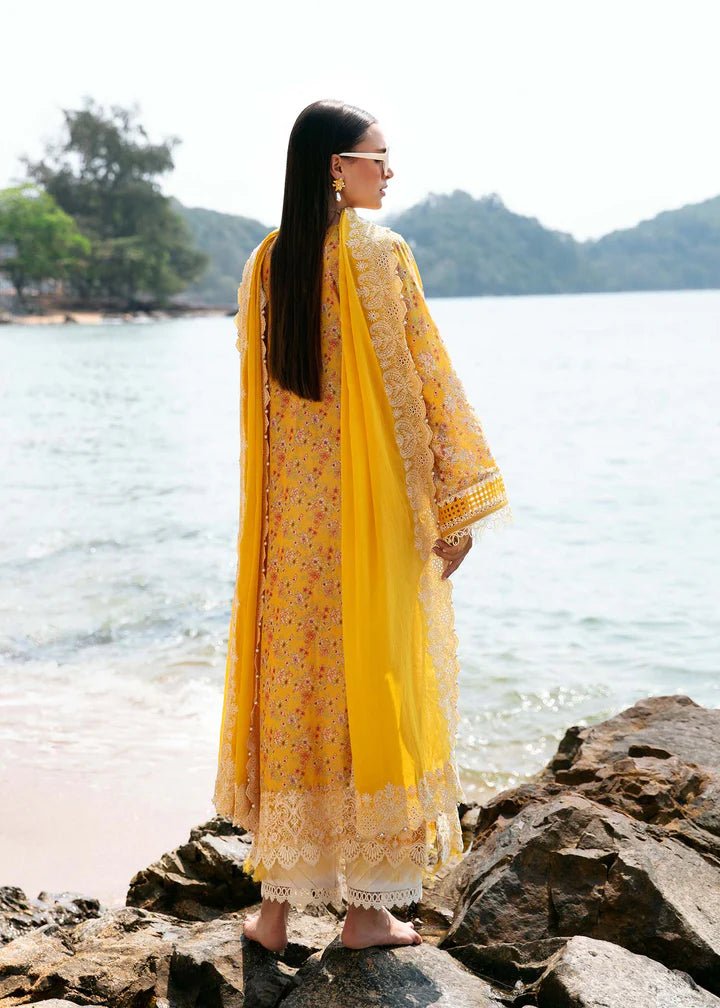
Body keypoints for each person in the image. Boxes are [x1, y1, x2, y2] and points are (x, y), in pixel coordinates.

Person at [212, 99, 511, 953]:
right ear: (334, 168)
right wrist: (455, 508)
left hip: (288, 536)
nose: (388, 171)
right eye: (378, 156)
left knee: (298, 697)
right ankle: (367, 911)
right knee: (374, 697)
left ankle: (272, 912)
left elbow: (267, 409)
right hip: (366, 525)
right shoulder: (379, 253)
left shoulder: (266, 264)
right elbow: (426, 378)